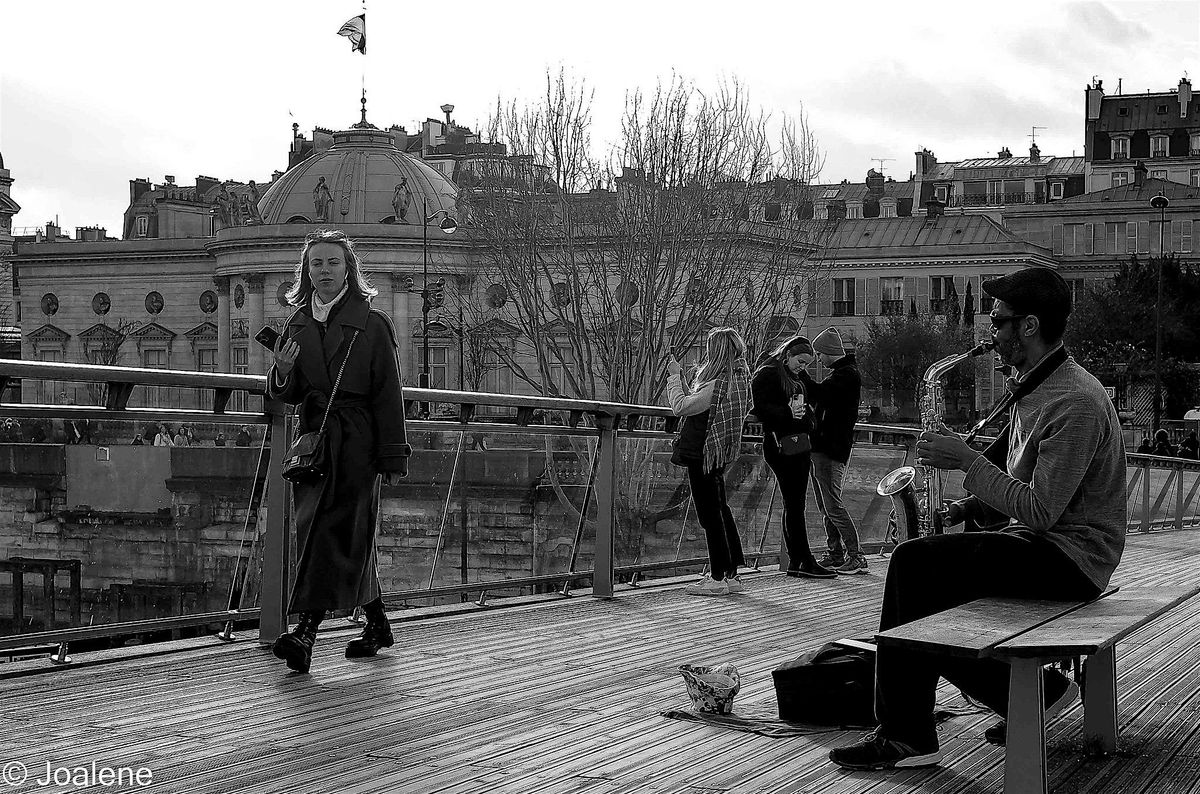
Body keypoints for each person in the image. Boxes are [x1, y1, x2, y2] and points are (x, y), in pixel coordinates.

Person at [830, 267, 1127, 771]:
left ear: (1029, 326)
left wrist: (967, 463)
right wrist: (967, 507)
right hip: (1046, 547)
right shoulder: (1037, 387)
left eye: (998, 321)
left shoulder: (1074, 401)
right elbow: (1018, 471)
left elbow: (1040, 509)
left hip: (1072, 561)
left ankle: (907, 735)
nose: (989, 333)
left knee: (911, 567)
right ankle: (1036, 692)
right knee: (926, 595)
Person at [267, 229, 412, 673]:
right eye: (316, 264)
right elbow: (289, 394)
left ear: (349, 268)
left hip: (358, 445)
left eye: (332, 263)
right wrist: (283, 370)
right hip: (314, 443)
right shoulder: (295, 324)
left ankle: (305, 634)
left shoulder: (372, 322)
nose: (324, 271)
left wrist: (392, 456)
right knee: (334, 534)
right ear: (305, 272)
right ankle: (377, 624)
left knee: (329, 534)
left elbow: (389, 392)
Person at [666, 327, 751, 596]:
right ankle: (731, 574)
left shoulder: (717, 385)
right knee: (720, 509)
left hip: (702, 453)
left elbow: (680, 406)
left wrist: (674, 377)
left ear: (715, 352)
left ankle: (716, 578)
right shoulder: (739, 380)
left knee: (709, 514)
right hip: (718, 451)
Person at [751, 335, 836, 579]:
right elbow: (759, 406)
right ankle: (802, 560)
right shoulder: (768, 373)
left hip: (796, 443)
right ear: (787, 355)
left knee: (795, 503)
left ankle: (798, 560)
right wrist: (788, 412)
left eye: (807, 363)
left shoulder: (794, 374)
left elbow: (814, 396)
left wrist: (805, 415)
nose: (803, 367)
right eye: (800, 361)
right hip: (782, 444)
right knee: (795, 503)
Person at [802, 327, 867, 574]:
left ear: (829, 352)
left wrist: (802, 374)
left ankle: (855, 555)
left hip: (830, 449)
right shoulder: (844, 375)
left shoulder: (845, 376)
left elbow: (820, 394)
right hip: (826, 448)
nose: (818, 359)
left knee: (833, 505)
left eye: (820, 354)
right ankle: (836, 553)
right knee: (826, 505)